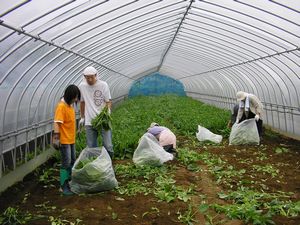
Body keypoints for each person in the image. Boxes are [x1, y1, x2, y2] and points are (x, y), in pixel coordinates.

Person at [78, 66, 114, 159]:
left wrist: (107, 113)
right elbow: (82, 102)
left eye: (92, 77)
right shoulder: (82, 86)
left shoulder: (103, 85)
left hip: (103, 120)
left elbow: (108, 101)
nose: (89, 79)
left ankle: (109, 162)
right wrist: (82, 117)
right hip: (90, 120)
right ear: (84, 77)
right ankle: (94, 164)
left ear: (96, 75)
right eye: (87, 77)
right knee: (91, 146)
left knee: (108, 145)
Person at [52, 84, 81, 196]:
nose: (76, 99)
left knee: (73, 160)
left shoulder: (70, 106)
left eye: (77, 97)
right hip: (64, 140)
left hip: (71, 139)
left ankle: (69, 182)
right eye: (75, 97)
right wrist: (56, 138)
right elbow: (57, 123)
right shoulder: (61, 106)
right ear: (69, 96)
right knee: (66, 162)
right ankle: (63, 186)